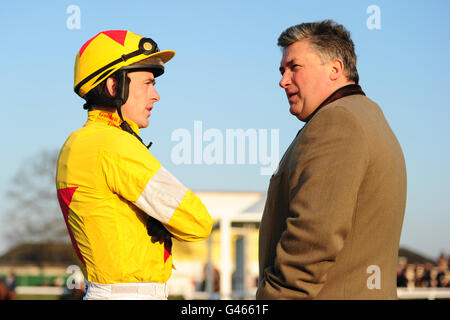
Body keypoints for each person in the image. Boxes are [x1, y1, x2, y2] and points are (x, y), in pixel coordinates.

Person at [56, 30, 213, 300]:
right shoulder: (116, 145)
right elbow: (198, 222)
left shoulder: (75, 143)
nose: (156, 96)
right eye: (148, 83)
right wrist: (161, 219)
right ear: (114, 86)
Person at [257, 20, 407, 299]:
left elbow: (312, 241)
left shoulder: (337, 122)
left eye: (294, 67)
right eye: (282, 70)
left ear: (335, 69)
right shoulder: (366, 116)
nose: (283, 80)